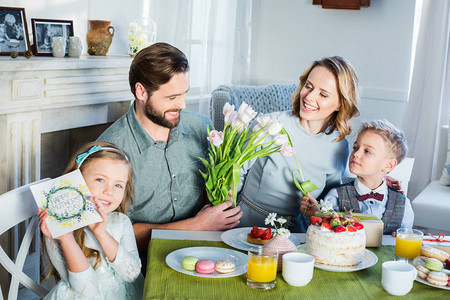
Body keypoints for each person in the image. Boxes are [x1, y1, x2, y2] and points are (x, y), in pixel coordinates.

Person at [97, 42, 242, 252]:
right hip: (142, 266)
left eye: (184, 94)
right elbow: (112, 234)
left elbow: (210, 198)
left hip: (201, 251)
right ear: (141, 92)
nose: (182, 105)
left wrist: (221, 201)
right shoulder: (111, 150)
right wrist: (197, 226)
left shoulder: (202, 128)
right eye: (172, 97)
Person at [236, 56, 360, 233]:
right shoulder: (269, 123)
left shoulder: (339, 146)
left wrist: (380, 181)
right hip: (248, 226)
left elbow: (332, 198)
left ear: (340, 104)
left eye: (323, 94)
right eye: (308, 86)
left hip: (299, 234)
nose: (309, 96)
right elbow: (235, 172)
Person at [38, 141, 144, 299]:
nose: (109, 191)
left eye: (118, 185)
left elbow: (132, 274)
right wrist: (67, 238)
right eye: (100, 180)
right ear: (76, 180)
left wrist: (102, 234)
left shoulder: (120, 222)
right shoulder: (59, 229)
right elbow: (86, 290)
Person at [302, 120, 414, 234]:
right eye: (356, 147)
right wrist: (318, 214)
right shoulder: (335, 196)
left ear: (388, 165)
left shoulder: (403, 204)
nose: (356, 154)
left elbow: (407, 237)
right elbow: (324, 233)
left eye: (367, 151)